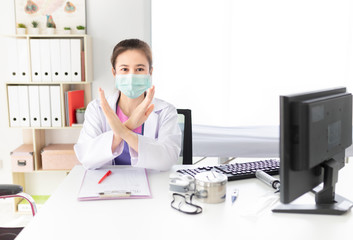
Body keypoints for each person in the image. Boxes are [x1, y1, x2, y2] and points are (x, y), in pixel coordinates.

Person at [74, 39, 181, 171]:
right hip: (107, 185)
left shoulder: (165, 111)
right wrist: (130, 125)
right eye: (124, 69)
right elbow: (87, 158)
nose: (131, 76)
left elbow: (167, 160)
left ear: (150, 72)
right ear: (114, 72)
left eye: (140, 69)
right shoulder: (97, 109)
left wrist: (123, 131)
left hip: (152, 183)